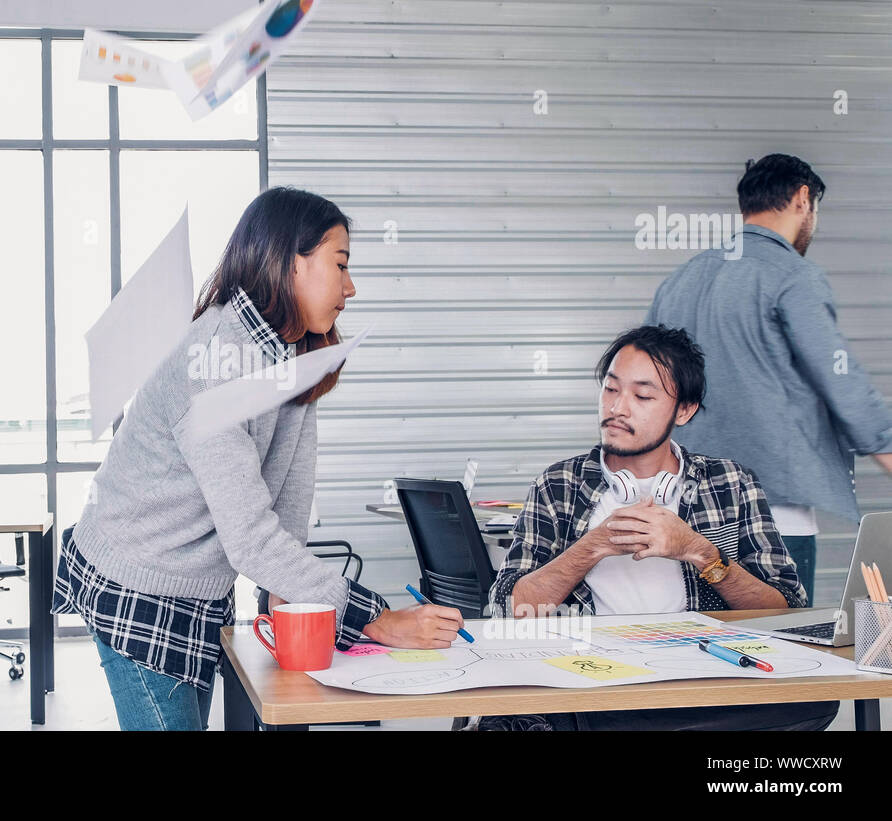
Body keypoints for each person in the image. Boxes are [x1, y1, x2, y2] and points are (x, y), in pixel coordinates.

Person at [52, 187, 464, 730]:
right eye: (339, 265)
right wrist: (378, 620)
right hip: (139, 586)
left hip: (196, 593)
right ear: (290, 261)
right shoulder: (221, 358)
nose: (351, 287)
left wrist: (288, 609)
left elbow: (285, 510)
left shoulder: (293, 352)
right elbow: (249, 539)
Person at [483, 325, 836, 730]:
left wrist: (700, 552)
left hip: (702, 682)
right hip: (594, 685)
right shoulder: (558, 484)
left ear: (683, 411)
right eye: (611, 389)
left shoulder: (732, 483)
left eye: (643, 396)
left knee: (817, 702)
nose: (618, 407)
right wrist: (592, 547)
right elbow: (509, 610)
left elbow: (784, 610)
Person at [645, 154, 892, 604]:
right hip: (773, 520)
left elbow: (651, 393)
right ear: (803, 200)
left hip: (683, 516)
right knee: (782, 651)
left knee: (697, 655)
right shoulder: (792, 276)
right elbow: (843, 383)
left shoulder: (680, 281)